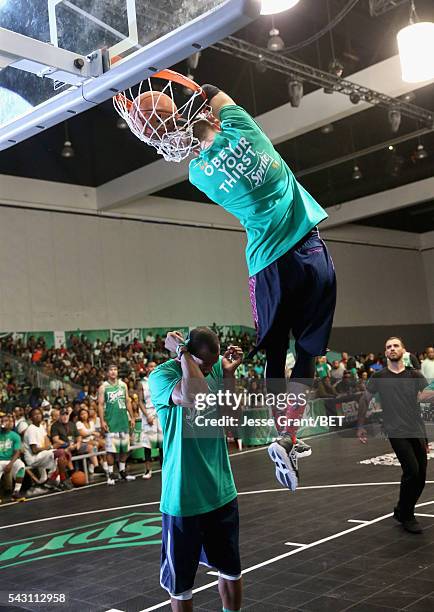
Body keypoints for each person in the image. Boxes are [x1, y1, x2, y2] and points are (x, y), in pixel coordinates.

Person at [188, 86, 336, 490]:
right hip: (311, 250)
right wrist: (195, 89)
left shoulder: (199, 174)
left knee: (274, 352)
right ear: (218, 122)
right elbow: (220, 95)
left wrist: (182, 123)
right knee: (307, 355)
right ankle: (290, 435)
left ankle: (282, 436)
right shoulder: (246, 132)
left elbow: (201, 139)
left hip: (268, 264)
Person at [149, 328, 243, 612]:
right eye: (207, 364)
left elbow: (232, 418)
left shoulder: (214, 369)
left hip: (220, 489)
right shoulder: (161, 377)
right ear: (188, 352)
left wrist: (227, 375)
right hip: (183, 496)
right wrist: (181, 352)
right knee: (181, 587)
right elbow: (194, 393)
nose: (211, 369)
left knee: (231, 571)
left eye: (214, 364)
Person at [357, 337, 429, 534]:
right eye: (388, 347)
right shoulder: (379, 377)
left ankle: (401, 509)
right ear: (386, 352)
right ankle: (407, 515)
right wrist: (360, 425)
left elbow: (427, 396)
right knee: (412, 471)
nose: (392, 349)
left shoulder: (414, 375)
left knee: (421, 475)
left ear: (403, 350)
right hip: (396, 430)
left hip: (417, 429)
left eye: (396, 345)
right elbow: (365, 399)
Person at [98, 363, 136, 485]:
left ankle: (122, 471)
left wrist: (132, 417)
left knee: (125, 448)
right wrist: (102, 421)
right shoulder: (103, 387)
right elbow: (100, 405)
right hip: (111, 422)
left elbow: (128, 401)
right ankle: (110, 474)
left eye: (115, 369)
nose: (113, 372)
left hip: (123, 420)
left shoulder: (123, 385)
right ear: (107, 373)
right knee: (111, 450)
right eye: (111, 370)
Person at [138, 363, 163, 479]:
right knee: (147, 444)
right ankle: (148, 470)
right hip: (148, 413)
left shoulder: (160, 379)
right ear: (147, 368)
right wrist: (147, 415)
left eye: (154, 366)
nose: (152, 368)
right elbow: (140, 401)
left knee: (162, 443)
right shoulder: (142, 383)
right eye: (150, 366)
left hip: (160, 413)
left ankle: (164, 467)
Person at [0, 413, 26, 501]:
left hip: (10, 460)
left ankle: (16, 493)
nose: (3, 423)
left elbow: (17, 452)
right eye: (2, 421)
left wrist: (11, 464)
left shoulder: (15, 436)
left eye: (5, 421)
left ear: (10, 423)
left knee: (21, 466)